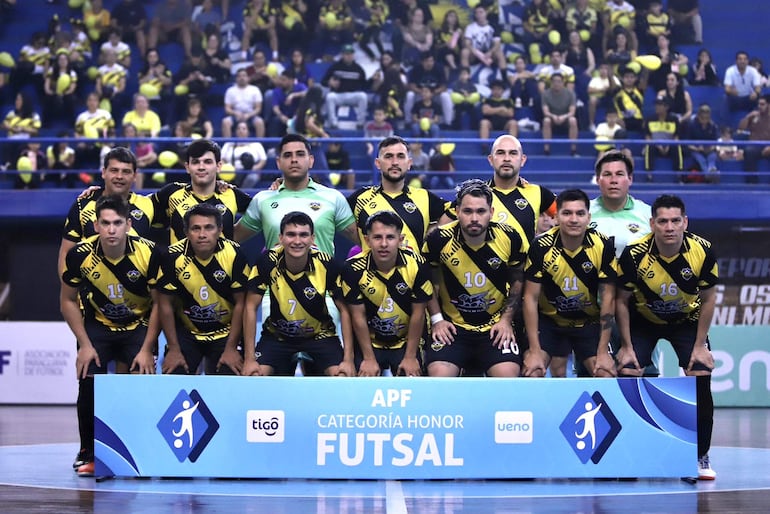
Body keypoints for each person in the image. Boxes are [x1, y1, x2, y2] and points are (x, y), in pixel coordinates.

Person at [615, 194, 718, 481]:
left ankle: (699, 456)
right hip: (643, 321)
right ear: (652, 224)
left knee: (700, 375)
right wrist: (625, 346)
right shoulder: (634, 254)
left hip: (687, 322)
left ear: (685, 222)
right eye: (663, 221)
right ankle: (626, 455)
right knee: (627, 371)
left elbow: (709, 300)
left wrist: (700, 346)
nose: (669, 227)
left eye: (675, 220)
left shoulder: (702, 250)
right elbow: (621, 302)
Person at [60, 195, 160, 477]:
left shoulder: (149, 253)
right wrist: (85, 345)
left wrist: (147, 348)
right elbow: (67, 301)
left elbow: (161, 305)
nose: (112, 229)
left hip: (138, 325)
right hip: (98, 327)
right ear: (96, 225)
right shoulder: (79, 254)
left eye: (118, 223)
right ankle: (88, 452)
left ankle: (141, 450)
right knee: (88, 381)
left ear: (128, 224)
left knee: (141, 383)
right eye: (105, 223)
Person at [423, 179, 528, 378]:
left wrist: (506, 321)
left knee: (508, 378)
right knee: (438, 378)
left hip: (494, 328)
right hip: (453, 329)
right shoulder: (438, 239)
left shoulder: (510, 237)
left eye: (481, 211)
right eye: (467, 211)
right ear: (456, 212)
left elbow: (518, 280)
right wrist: (437, 320)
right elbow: (426, 281)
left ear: (491, 212)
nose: (474, 218)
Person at [241, 211, 355, 377]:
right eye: (291, 235)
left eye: (303, 235)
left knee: (342, 376)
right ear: (280, 238)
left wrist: (349, 359)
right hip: (276, 337)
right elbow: (250, 307)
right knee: (254, 376)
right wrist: (249, 359)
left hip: (320, 336)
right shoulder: (266, 262)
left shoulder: (327, 264)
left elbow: (345, 311)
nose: (297, 241)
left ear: (312, 239)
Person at [522, 189, 617, 378]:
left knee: (605, 373)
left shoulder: (603, 245)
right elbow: (530, 299)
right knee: (532, 372)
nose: (574, 219)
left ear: (588, 217)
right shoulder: (540, 246)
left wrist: (603, 352)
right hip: (549, 323)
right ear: (556, 216)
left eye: (580, 213)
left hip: (588, 323)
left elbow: (608, 297)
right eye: (567, 213)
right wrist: (533, 350)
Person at [156, 203, 249, 376]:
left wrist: (231, 348)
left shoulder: (235, 254)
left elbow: (241, 304)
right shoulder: (172, 256)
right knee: (175, 375)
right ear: (186, 232)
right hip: (186, 333)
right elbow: (165, 305)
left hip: (225, 334)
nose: (202, 235)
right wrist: (174, 349)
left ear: (220, 229)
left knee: (229, 376)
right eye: (196, 228)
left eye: (209, 228)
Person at [340, 211, 433, 377]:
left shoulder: (418, 265)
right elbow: (357, 316)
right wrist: (368, 358)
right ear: (367, 240)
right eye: (377, 238)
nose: (384, 244)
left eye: (390, 237)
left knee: (413, 383)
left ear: (400, 239)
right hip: (369, 340)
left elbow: (418, 313)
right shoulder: (352, 268)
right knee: (360, 382)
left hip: (406, 340)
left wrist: (410, 356)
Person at [234, 133, 358, 255]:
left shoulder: (333, 198)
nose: (294, 160)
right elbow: (230, 238)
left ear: (311, 160)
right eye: (287, 155)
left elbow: (366, 241)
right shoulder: (262, 200)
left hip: (323, 275)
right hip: (275, 275)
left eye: (300, 154)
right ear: (278, 163)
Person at [58, 147, 155, 278]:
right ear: (104, 172)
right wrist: (69, 294)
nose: (119, 176)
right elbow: (66, 254)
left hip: (138, 294)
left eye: (126, 172)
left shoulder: (148, 205)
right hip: (90, 293)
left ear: (134, 176)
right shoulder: (83, 205)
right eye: (114, 170)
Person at [347, 135, 447, 252]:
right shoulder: (360, 198)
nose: (395, 162)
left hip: (414, 270)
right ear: (378, 163)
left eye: (400, 156)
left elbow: (456, 211)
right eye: (388, 156)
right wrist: (363, 244)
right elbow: (337, 220)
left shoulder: (425, 197)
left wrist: (431, 234)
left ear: (409, 163)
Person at [151, 139, 253, 244]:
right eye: (195, 162)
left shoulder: (231, 193)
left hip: (225, 260)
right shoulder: (171, 193)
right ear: (187, 167)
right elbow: (138, 206)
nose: (201, 167)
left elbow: (264, 209)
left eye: (207, 162)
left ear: (218, 166)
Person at [321, 44, 368, 129]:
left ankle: (360, 123)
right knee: (330, 97)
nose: (349, 56)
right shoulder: (335, 67)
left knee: (363, 96)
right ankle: (333, 123)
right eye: (346, 54)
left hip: (353, 95)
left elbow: (365, 84)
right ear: (342, 55)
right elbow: (323, 81)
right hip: (339, 95)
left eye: (350, 54)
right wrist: (329, 83)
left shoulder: (358, 68)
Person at [643, 97, 683, 182]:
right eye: (656, 105)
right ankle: (649, 175)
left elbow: (676, 137)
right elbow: (648, 137)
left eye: (660, 105)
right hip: (655, 146)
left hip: (669, 146)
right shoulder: (650, 119)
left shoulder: (674, 119)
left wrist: (669, 145)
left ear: (666, 107)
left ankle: (679, 175)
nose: (657, 107)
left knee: (677, 147)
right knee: (648, 147)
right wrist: (657, 145)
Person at [220, 121, 268, 188]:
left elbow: (263, 160)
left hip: (249, 172)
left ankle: (241, 193)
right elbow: (221, 159)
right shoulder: (228, 144)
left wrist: (254, 168)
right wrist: (228, 167)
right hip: (232, 171)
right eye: (238, 128)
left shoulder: (256, 144)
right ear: (236, 131)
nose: (241, 131)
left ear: (248, 131)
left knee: (252, 178)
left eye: (244, 128)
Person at [222, 68, 266, 139]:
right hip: (236, 115)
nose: (242, 78)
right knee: (225, 122)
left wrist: (248, 115)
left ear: (248, 78)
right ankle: (228, 146)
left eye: (244, 76)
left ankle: (259, 145)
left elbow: (258, 108)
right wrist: (235, 113)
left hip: (251, 115)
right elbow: (227, 109)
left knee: (260, 122)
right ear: (236, 78)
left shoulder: (255, 89)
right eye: (239, 76)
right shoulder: (230, 90)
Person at [541, 73, 578, 156]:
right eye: (554, 81)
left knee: (573, 120)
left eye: (559, 81)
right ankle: (546, 149)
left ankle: (573, 149)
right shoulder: (545, 94)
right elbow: (545, 112)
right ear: (551, 82)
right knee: (546, 120)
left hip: (565, 119)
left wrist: (563, 117)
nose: (556, 83)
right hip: (552, 118)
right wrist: (553, 116)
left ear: (563, 82)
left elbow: (572, 112)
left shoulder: (570, 94)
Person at [738, 94, 770, 183]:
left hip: (769, 145)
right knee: (748, 151)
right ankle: (752, 182)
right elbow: (741, 128)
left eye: (762, 104)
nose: (760, 106)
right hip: (755, 146)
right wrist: (748, 117)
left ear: (769, 105)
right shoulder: (754, 116)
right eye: (759, 104)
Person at [479, 79, 517, 146]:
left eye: (499, 89)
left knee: (513, 123)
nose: (496, 91)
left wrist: (492, 110)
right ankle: (484, 146)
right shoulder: (487, 100)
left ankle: (512, 146)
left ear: (502, 91)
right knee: (484, 122)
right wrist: (501, 109)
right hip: (491, 124)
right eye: (494, 89)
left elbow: (510, 113)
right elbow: (486, 111)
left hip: (505, 124)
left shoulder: (508, 101)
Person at [686, 104, 719, 180]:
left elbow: (716, 141)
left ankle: (712, 169)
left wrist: (711, 148)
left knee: (712, 156)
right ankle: (707, 174)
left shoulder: (712, 126)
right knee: (701, 159)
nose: (705, 120)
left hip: (708, 150)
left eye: (707, 118)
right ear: (698, 116)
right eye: (702, 118)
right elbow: (687, 143)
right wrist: (696, 148)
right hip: (695, 150)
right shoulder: (691, 125)